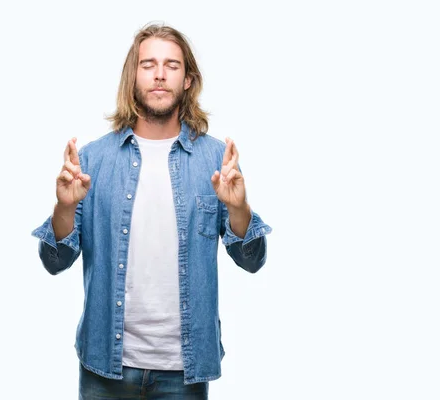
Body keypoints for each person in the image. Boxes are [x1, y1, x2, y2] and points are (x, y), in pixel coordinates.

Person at [31, 23, 272, 399]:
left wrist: (239, 208)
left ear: (188, 80)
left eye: (172, 65)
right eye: (149, 64)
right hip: (105, 367)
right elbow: (54, 260)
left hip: (183, 372)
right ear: (133, 75)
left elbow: (252, 260)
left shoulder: (214, 159)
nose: (160, 74)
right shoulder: (93, 160)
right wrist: (65, 208)